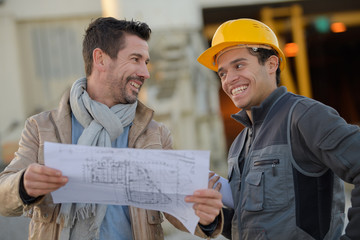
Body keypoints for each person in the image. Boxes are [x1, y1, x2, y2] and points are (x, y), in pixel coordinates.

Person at [0, 17, 223, 240]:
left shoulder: (155, 134)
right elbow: (3, 198)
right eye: (135, 59)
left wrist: (204, 218)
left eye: (146, 62)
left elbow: (176, 206)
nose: (145, 72)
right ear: (100, 59)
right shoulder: (42, 127)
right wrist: (22, 184)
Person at [197, 18, 360, 240]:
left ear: (272, 64)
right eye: (222, 73)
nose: (229, 79)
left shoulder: (304, 116)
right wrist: (213, 218)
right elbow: (247, 225)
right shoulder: (238, 144)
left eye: (239, 65)